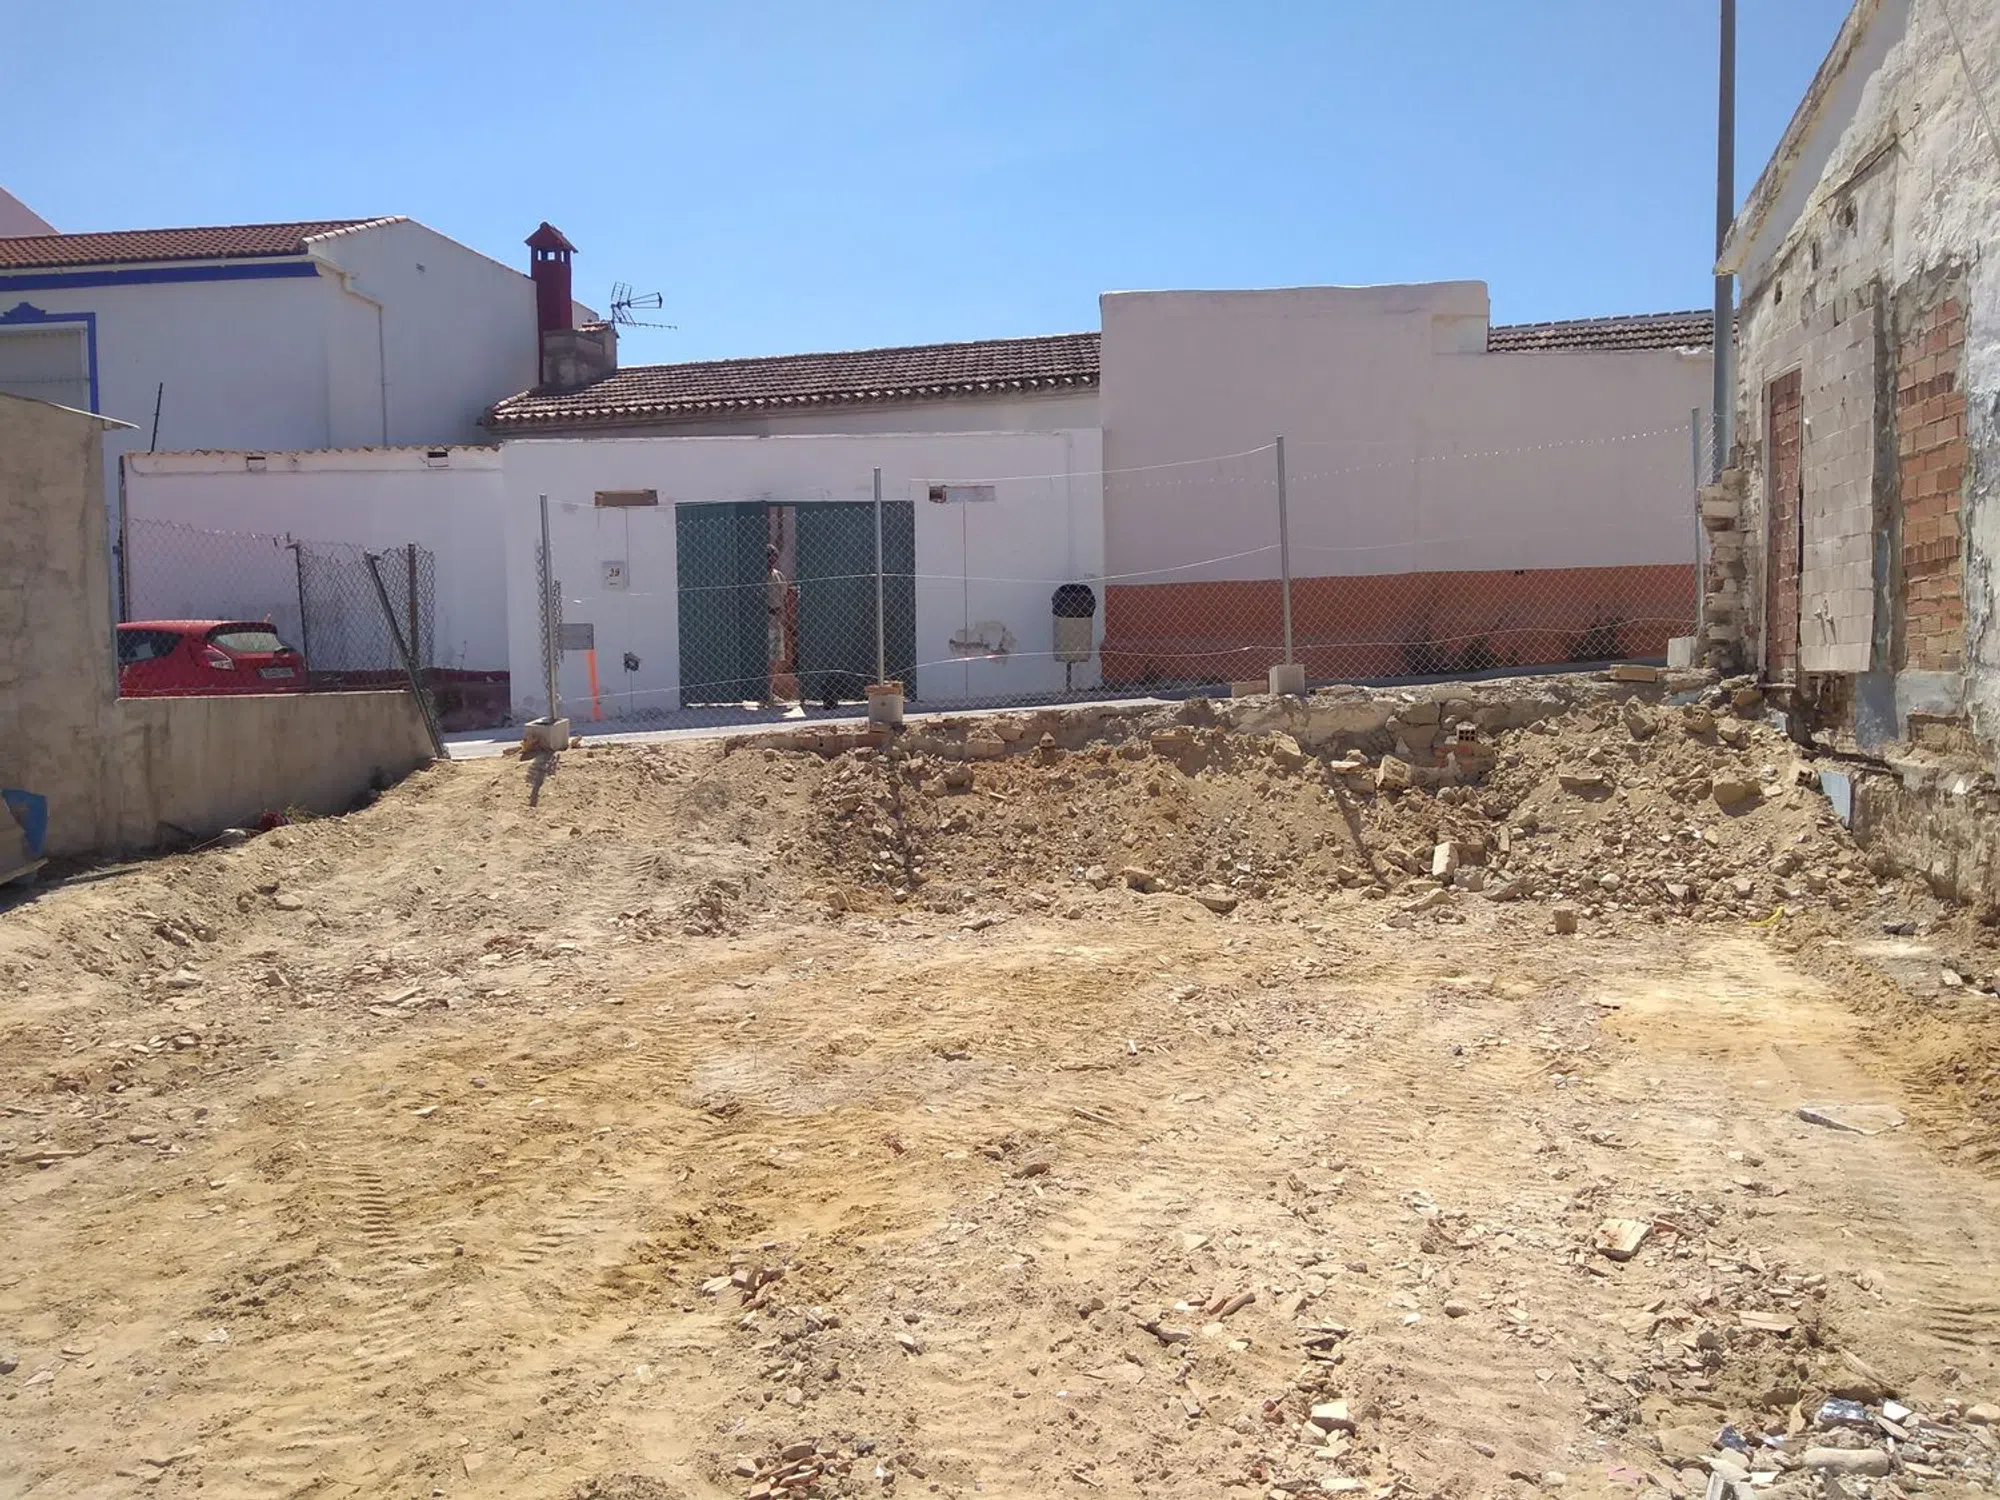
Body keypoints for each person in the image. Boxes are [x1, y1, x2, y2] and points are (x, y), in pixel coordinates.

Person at [764, 545, 789, 705]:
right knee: (764, 657)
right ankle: (761, 691)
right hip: (763, 618)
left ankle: (769, 691)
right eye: (769, 558)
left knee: (775, 658)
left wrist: (784, 618)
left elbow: (784, 597)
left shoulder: (778, 576)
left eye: (774, 558)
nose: (771, 562)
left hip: (775, 619)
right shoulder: (758, 577)